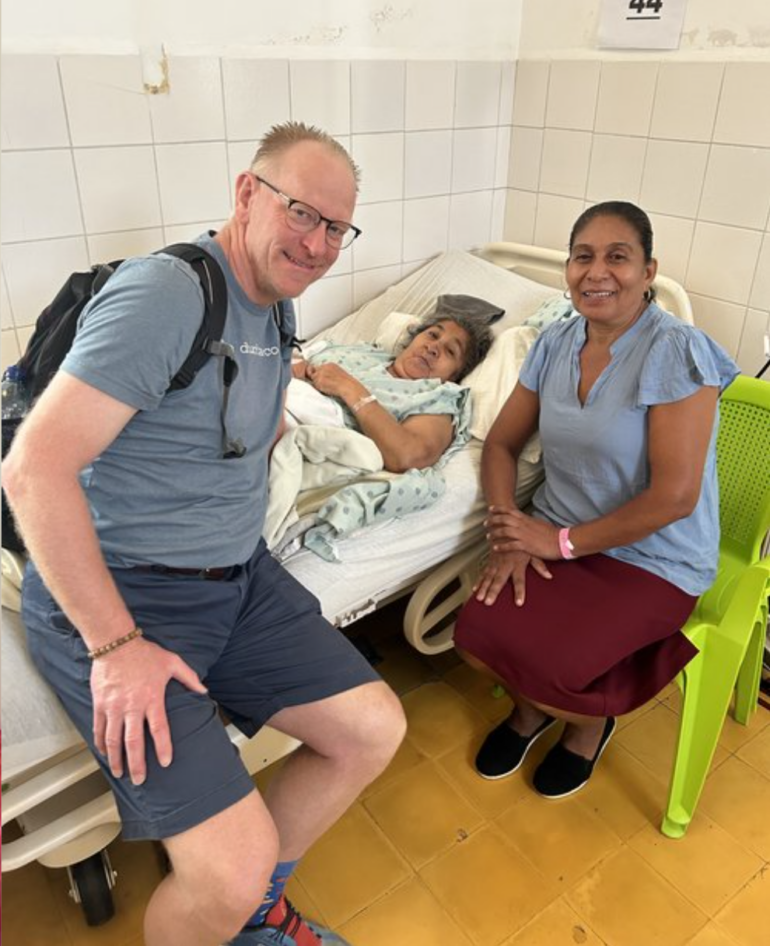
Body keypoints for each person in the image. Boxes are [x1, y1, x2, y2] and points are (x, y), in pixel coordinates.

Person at [2, 121, 407, 946]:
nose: (319, 242)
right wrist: (116, 650)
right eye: (303, 212)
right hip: (127, 598)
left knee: (373, 730)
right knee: (228, 863)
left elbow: (249, 429)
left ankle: (254, 912)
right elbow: (32, 472)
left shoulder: (277, 305)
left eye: (337, 227)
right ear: (247, 193)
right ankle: (237, 894)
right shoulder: (171, 293)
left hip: (238, 578)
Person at [453, 201, 740, 800]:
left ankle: (587, 728)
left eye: (618, 257)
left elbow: (675, 497)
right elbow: (502, 444)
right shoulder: (556, 343)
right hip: (554, 532)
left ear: (647, 271)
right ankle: (530, 715)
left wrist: (556, 544)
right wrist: (509, 533)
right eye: (583, 256)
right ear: (568, 269)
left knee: (558, 666)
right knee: (475, 636)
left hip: (656, 555)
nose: (597, 272)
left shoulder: (676, 351)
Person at [290, 313, 493, 472]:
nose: (433, 347)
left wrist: (349, 387)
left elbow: (408, 456)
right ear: (413, 338)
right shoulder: (366, 352)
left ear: (455, 375)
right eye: (432, 334)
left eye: (450, 351)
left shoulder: (436, 399)